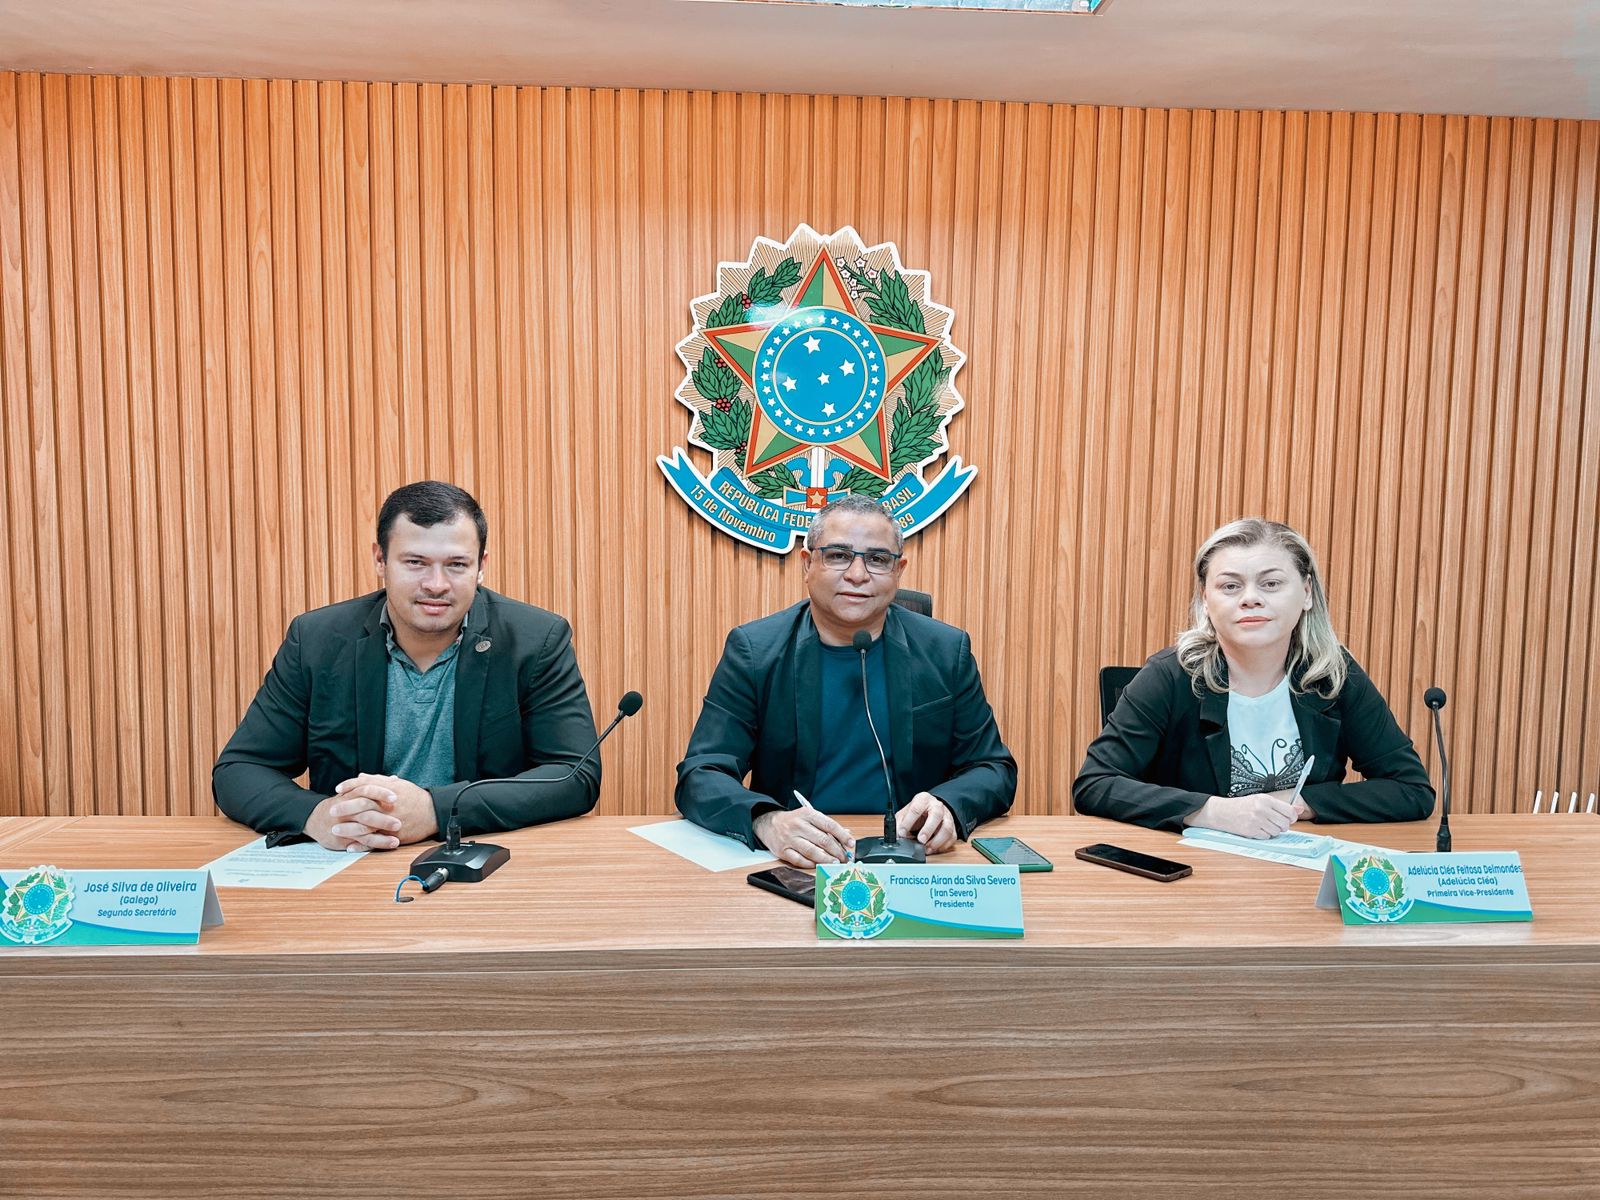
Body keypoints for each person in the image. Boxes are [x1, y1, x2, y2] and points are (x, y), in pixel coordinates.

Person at [213, 481, 601, 850]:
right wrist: (315, 815)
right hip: (353, 860)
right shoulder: (317, 640)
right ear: (380, 560)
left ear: (480, 566)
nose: (436, 584)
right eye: (415, 562)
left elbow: (574, 775)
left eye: (456, 565)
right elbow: (239, 769)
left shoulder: (536, 639)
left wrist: (437, 810)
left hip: (483, 860)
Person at [675, 495, 1016, 866]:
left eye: (877, 559)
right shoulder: (755, 651)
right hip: (798, 860)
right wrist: (766, 820)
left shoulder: (945, 651)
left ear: (898, 571)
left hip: (911, 856)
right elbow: (701, 773)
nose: (857, 574)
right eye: (838, 555)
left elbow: (993, 768)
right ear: (807, 564)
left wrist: (948, 804)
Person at [1073, 517, 1433, 837]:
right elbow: (1094, 784)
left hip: (1296, 874)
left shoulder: (1332, 675)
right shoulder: (1171, 675)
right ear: (1206, 601)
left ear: (1306, 592)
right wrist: (1213, 811)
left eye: (1271, 584)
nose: (1250, 599)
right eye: (1230, 587)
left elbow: (1411, 789)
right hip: (1191, 876)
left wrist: (1299, 804)